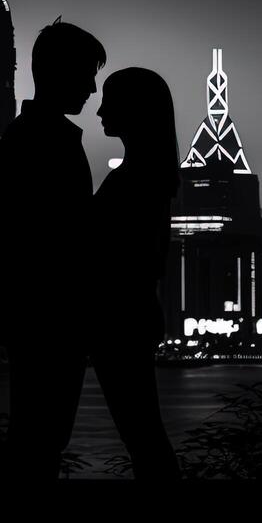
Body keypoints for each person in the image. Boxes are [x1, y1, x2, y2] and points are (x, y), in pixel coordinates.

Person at [0, 18, 107, 480]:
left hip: (38, 317)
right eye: (87, 75)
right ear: (58, 72)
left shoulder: (32, 136)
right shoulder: (43, 141)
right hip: (50, 318)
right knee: (40, 440)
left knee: (37, 439)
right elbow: (55, 237)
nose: (93, 89)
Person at [89, 67, 182, 479]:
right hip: (133, 314)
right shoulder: (148, 174)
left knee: (141, 431)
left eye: (112, 101)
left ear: (136, 110)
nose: (101, 111)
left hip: (120, 318)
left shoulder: (135, 179)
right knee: (142, 431)